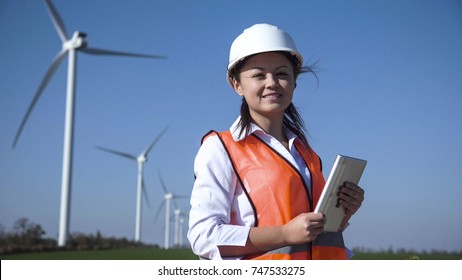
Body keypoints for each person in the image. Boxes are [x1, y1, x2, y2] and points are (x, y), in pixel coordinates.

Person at [187, 23, 365, 260]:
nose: (271, 82)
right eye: (258, 75)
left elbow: (311, 233)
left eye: (282, 73)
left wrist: (343, 213)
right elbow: (203, 237)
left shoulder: (307, 154)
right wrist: (283, 234)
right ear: (236, 84)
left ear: (294, 82)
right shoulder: (220, 148)